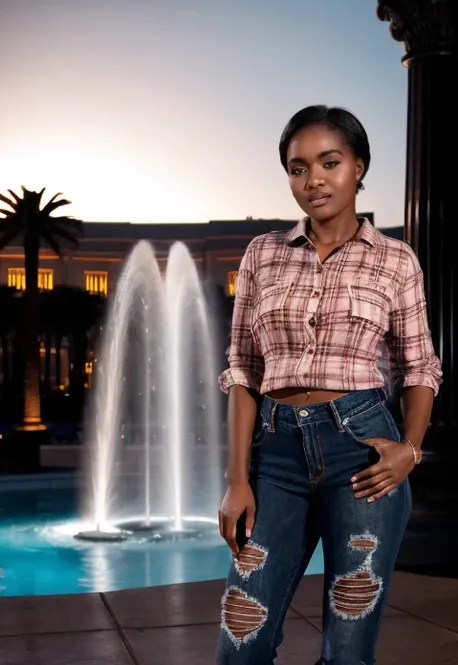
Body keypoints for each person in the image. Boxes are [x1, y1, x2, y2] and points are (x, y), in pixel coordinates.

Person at [216, 105, 442, 665]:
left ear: (358, 167)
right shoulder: (262, 255)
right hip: (275, 458)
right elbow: (243, 369)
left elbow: (420, 368)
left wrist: (410, 451)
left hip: (363, 453)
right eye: (298, 167)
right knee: (241, 642)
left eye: (329, 162)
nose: (313, 179)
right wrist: (236, 480)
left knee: (347, 650)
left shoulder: (396, 260)